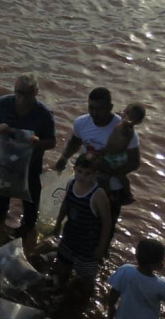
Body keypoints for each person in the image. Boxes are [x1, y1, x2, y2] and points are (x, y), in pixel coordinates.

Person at [54, 87, 138, 250]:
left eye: (100, 109)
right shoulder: (81, 123)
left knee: (106, 224)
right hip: (86, 182)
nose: (95, 113)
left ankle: (100, 255)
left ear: (110, 108)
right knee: (79, 219)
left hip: (112, 188)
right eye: (91, 107)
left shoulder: (123, 129)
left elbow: (133, 162)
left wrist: (107, 170)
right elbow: (75, 141)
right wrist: (63, 158)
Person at [0, 73, 57, 237]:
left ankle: (25, 236)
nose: (20, 97)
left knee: (31, 209)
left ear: (36, 92)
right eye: (18, 92)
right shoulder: (2, 104)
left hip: (30, 167)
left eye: (26, 94)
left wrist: (37, 143)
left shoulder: (44, 114)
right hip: (4, 164)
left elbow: (52, 142)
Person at [51, 154, 112, 292]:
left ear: (96, 174)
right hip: (69, 236)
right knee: (62, 267)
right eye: (79, 171)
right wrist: (58, 223)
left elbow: (107, 222)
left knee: (86, 277)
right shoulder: (71, 184)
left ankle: (84, 297)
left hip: (88, 245)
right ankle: (60, 291)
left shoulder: (98, 195)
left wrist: (101, 247)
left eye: (88, 174)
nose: (82, 176)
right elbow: (66, 204)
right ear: (74, 169)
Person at [107, 239, 165, 319]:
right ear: (154, 264)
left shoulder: (125, 270)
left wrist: (111, 308)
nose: (163, 262)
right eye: (162, 259)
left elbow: (114, 292)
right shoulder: (160, 284)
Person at [103, 103, 146, 205]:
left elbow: (126, 126)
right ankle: (128, 194)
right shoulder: (121, 120)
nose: (127, 117)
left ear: (138, 122)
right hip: (117, 155)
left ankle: (113, 194)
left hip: (116, 157)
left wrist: (127, 121)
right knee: (121, 176)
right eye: (126, 113)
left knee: (107, 176)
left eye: (132, 118)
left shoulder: (128, 129)